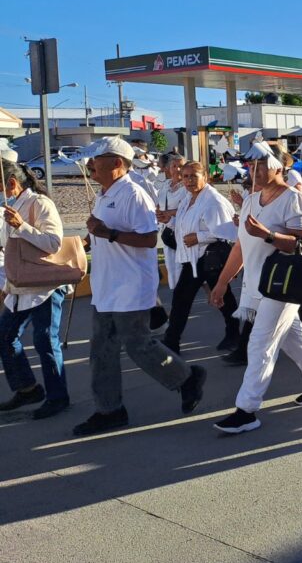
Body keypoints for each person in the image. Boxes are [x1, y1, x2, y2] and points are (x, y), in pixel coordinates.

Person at [72, 137, 206, 437]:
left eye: (98, 159)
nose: (91, 165)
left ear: (118, 163)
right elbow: (103, 234)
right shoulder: (105, 193)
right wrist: (85, 243)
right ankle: (110, 410)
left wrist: (107, 233)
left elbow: (148, 240)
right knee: (102, 351)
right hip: (106, 285)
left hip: (130, 286)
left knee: (138, 346)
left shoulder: (134, 193)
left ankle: (187, 377)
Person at [209, 143, 302, 434]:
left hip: (283, 284)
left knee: (260, 343)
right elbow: (240, 246)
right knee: (292, 336)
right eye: (251, 166)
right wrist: (223, 281)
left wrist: (267, 234)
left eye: (260, 164)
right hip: (256, 284)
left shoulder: (294, 199)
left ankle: (247, 410)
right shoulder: (252, 200)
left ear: (278, 167)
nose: (254, 170)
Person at [0, 159, 70, 419]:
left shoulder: (40, 203)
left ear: (12, 183)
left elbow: (53, 243)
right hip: (20, 285)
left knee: (45, 341)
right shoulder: (10, 205)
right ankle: (27, 388)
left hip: (45, 285)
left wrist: (22, 226)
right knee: (5, 337)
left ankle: (58, 396)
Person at [162, 161, 240, 354]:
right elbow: (186, 224)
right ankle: (172, 341)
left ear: (205, 177)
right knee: (183, 299)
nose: (188, 180)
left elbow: (228, 232)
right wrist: (170, 221)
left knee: (220, 298)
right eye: (185, 176)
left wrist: (199, 237)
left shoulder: (213, 201)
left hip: (210, 259)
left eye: (193, 176)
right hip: (194, 259)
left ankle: (233, 334)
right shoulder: (189, 198)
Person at [155, 153, 188, 290]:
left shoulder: (187, 187)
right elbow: (159, 204)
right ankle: (177, 295)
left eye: (181, 166)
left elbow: (190, 207)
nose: (178, 169)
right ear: (169, 168)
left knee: (184, 266)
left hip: (182, 230)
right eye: (175, 166)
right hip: (167, 231)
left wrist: (169, 214)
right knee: (172, 266)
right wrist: (158, 213)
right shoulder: (165, 186)